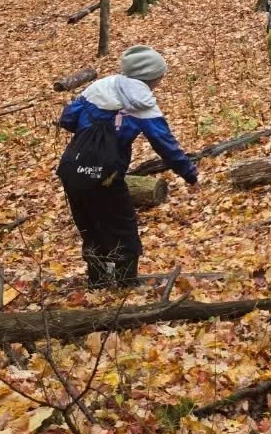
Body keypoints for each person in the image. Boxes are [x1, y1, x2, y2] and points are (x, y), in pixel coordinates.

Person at [57, 46, 198, 287]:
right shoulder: (141, 103)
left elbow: (67, 118)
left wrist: (93, 132)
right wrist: (190, 174)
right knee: (122, 227)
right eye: (160, 76)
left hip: (72, 169)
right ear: (151, 77)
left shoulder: (100, 87)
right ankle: (125, 286)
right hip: (106, 175)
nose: (161, 81)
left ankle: (98, 284)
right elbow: (164, 143)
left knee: (90, 227)